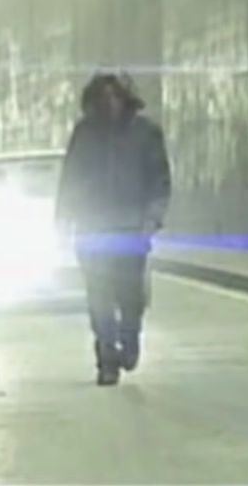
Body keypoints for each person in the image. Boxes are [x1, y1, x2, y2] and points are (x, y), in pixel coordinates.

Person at [55, 71, 171, 386]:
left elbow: (159, 180)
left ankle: (129, 338)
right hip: (92, 228)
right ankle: (107, 357)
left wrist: (152, 217)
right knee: (99, 296)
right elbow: (71, 178)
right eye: (102, 99)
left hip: (132, 228)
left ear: (124, 98)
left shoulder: (145, 133)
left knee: (131, 295)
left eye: (114, 97)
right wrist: (64, 216)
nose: (109, 105)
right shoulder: (85, 133)